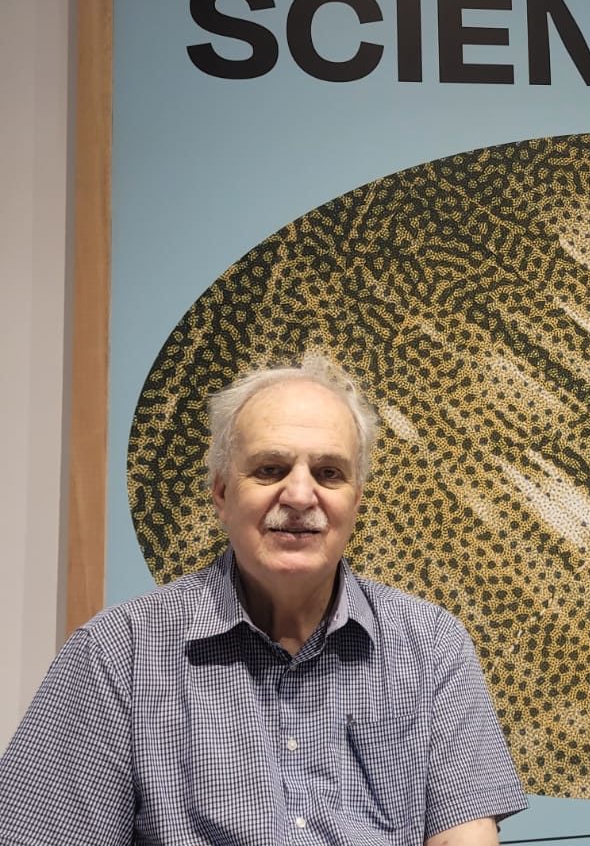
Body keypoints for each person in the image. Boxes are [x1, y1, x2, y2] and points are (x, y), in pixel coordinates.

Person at [0, 354, 527, 845]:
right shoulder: (118, 654)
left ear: (356, 500)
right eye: (271, 469)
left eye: (328, 473)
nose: (300, 496)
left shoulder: (432, 647)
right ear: (223, 493)